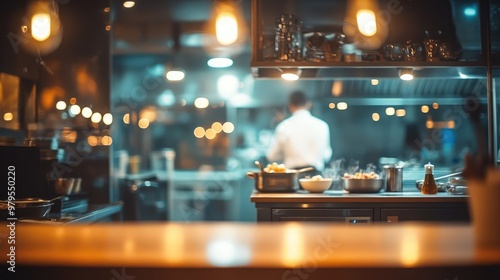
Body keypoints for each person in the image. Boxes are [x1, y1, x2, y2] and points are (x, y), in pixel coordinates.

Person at [266, 90, 333, 178]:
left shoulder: (283, 127)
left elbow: (272, 156)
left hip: (292, 177)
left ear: (290, 106)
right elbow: (326, 155)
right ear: (308, 104)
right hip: (315, 177)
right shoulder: (322, 125)